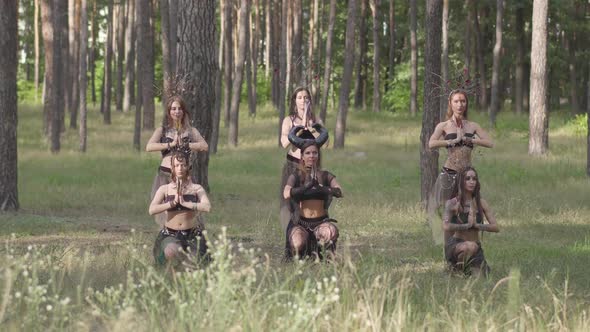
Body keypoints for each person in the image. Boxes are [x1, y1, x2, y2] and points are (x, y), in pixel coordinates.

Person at [427, 89, 493, 245]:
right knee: (447, 212)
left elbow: (489, 142)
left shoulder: (472, 126)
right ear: (450, 103)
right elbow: (431, 143)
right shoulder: (443, 126)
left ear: (466, 104)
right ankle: (449, 252)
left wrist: (472, 140)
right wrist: (452, 141)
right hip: (449, 174)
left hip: (466, 176)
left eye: (463, 101)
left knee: (468, 211)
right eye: (456, 101)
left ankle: (468, 250)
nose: (460, 104)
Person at [146, 96, 208, 225]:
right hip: (165, 175)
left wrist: (186, 145)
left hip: (184, 175)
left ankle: (194, 234)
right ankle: (167, 234)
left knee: (189, 204)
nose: (177, 111)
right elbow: (149, 146)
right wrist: (170, 144)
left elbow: (204, 146)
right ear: (169, 112)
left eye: (180, 108)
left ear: (184, 111)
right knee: (165, 206)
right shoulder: (162, 130)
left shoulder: (191, 131)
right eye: (173, 109)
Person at [283, 125, 341, 260]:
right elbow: (286, 193)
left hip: (321, 223)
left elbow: (340, 191)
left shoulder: (326, 175)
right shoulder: (296, 176)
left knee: (331, 232)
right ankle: (299, 259)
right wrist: (304, 188)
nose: (311, 156)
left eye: (314, 153)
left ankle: (325, 256)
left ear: (318, 155)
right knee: (297, 242)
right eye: (308, 153)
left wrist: (322, 188)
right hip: (301, 223)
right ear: (302, 156)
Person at [149, 152, 211, 267]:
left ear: (188, 167)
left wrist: (186, 203)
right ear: (172, 168)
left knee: (197, 263)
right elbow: (152, 209)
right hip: (171, 233)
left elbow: (207, 207)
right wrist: (171, 204)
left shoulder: (196, 188)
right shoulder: (165, 189)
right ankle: (163, 269)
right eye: (176, 165)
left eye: (183, 165)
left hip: (193, 233)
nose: (180, 168)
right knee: (171, 251)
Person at [279, 87, 325, 231]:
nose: (303, 100)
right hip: (293, 165)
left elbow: (326, 142)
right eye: (299, 97)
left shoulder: (316, 120)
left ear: (310, 101)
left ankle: (312, 233)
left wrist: (310, 127)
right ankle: (290, 234)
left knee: (312, 201)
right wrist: (299, 128)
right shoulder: (288, 120)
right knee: (289, 202)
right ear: (294, 101)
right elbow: (284, 143)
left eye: (306, 97)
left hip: (312, 167)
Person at [443, 167, 499, 276]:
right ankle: (457, 271)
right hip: (457, 245)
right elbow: (445, 226)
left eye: (474, 179)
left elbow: (495, 227)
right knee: (469, 246)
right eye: (467, 179)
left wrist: (477, 226)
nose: (471, 182)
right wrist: (466, 226)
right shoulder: (452, 203)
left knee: (480, 277)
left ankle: (463, 269)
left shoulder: (481, 203)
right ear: (461, 182)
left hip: (476, 247)